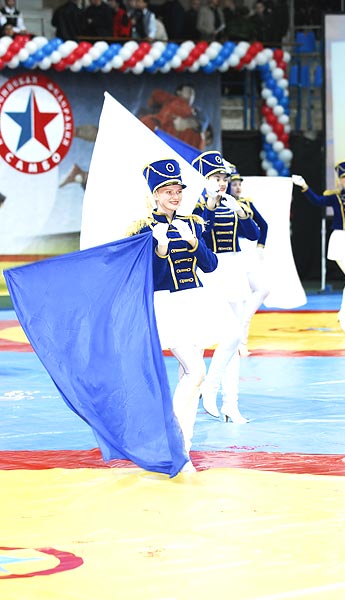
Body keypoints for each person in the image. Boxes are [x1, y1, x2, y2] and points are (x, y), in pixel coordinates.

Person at [125, 158, 219, 472]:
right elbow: (145, 278)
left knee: (188, 378)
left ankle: (183, 452)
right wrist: (160, 251)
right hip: (166, 305)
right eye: (167, 191)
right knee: (197, 372)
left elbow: (210, 265)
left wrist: (194, 242)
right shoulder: (142, 229)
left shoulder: (192, 223)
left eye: (178, 190)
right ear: (155, 194)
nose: (175, 196)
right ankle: (170, 437)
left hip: (195, 301)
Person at [192, 150, 260, 423]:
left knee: (233, 341)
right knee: (207, 338)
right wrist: (209, 206)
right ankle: (205, 388)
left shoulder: (233, 203)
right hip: (210, 272)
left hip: (234, 270)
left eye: (224, 178)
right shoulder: (194, 206)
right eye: (215, 178)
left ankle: (231, 404)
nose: (221, 183)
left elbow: (254, 234)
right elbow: (201, 235)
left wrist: (242, 214)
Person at [292, 159, 345, 338]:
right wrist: (304, 185)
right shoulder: (335, 197)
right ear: (340, 180)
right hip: (340, 241)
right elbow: (317, 201)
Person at [228, 164, 269, 356]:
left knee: (262, 289)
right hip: (231, 252)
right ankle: (238, 342)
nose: (237, 187)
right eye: (234, 184)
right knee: (236, 298)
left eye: (239, 184)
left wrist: (260, 246)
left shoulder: (247, 203)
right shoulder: (222, 204)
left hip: (248, 251)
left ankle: (243, 329)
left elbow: (264, 225)